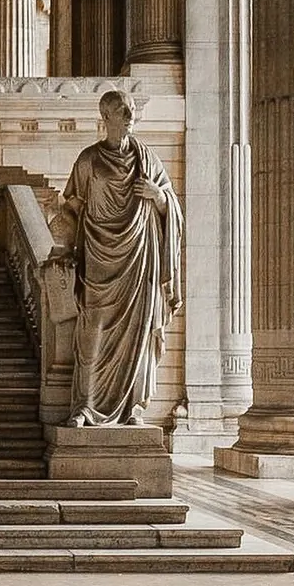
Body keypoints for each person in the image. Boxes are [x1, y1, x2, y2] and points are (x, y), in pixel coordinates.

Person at [50, 89, 183, 426]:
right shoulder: (88, 160)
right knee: (93, 331)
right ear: (105, 116)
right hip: (98, 257)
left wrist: (159, 197)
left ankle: (131, 408)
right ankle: (85, 405)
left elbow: (171, 204)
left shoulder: (148, 159)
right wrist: (64, 250)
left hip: (139, 260)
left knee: (137, 335)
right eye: (122, 109)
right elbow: (71, 210)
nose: (129, 114)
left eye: (132, 108)